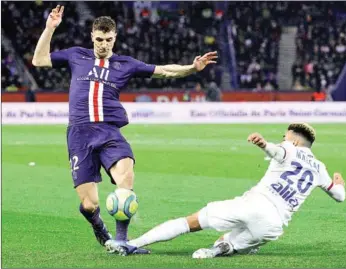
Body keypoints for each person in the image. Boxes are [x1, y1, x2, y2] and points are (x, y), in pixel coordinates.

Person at [32, 5, 218, 254]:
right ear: (92, 37)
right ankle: (101, 230)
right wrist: (49, 28)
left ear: (115, 38)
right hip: (79, 134)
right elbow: (39, 60)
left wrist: (192, 68)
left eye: (108, 40)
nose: (104, 44)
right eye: (99, 39)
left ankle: (121, 241)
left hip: (110, 132)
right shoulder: (76, 55)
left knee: (126, 180)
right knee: (89, 204)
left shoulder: (125, 64)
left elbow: (163, 71)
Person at [109, 123, 346, 257]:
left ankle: (133, 243)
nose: (283, 139)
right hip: (274, 226)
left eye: (285, 137)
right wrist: (339, 183)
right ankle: (216, 250)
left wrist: (265, 145)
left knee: (191, 222)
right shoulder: (320, 168)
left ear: (294, 140)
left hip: (256, 204)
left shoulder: (289, 148)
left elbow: (278, 151)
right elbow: (339, 196)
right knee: (231, 242)